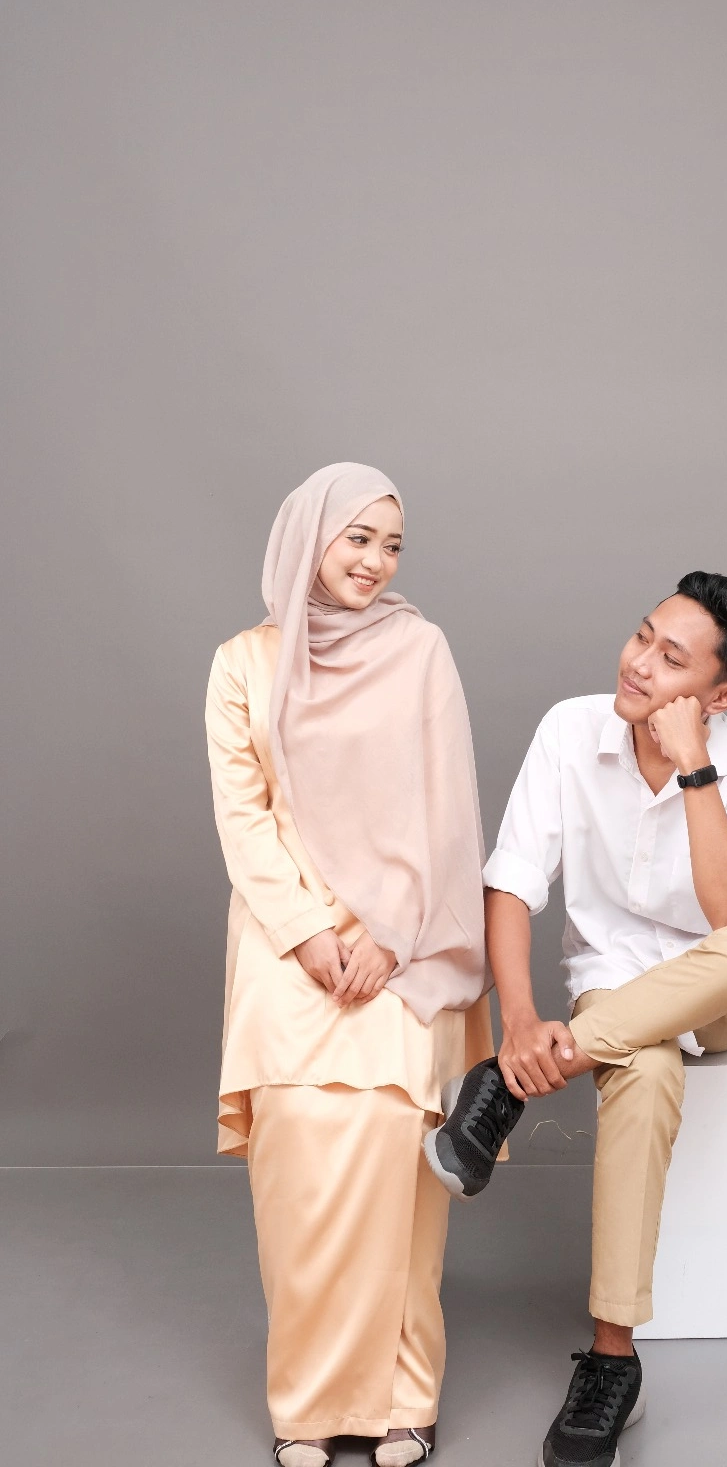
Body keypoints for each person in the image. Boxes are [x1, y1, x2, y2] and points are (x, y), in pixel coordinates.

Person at [424, 571, 727, 1467]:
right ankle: (612, 1360)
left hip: (719, 994)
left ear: (720, 696)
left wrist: (694, 765)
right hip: (612, 993)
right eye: (642, 637)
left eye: (673, 660)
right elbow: (512, 882)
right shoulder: (570, 729)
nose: (639, 664)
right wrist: (520, 1021)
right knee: (648, 1070)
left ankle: (503, 1092)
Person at [206, 463, 494, 1467]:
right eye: (357, 537)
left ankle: (405, 1397)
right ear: (309, 537)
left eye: (393, 545)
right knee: (298, 1169)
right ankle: (307, 1403)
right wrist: (307, 932)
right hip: (288, 946)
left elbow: (445, 808)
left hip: (401, 947)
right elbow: (243, 816)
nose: (375, 561)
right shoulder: (243, 664)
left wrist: (390, 933)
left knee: (394, 1164)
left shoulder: (420, 650)